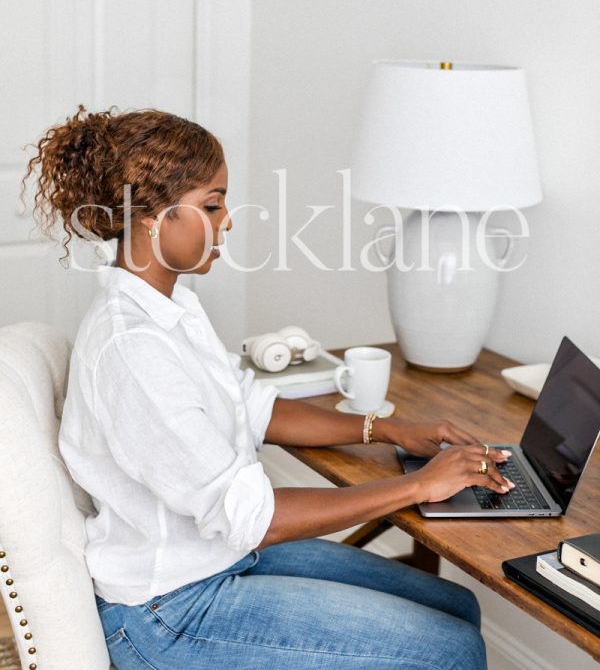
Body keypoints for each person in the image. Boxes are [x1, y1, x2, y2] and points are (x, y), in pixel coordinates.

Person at [23, 105, 513, 670]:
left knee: (455, 604)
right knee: (452, 649)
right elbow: (253, 517)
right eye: (212, 204)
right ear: (151, 217)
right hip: (169, 612)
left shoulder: (170, 305)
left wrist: (390, 428)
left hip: (218, 558)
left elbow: (251, 406)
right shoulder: (132, 350)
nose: (228, 220)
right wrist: (417, 487)